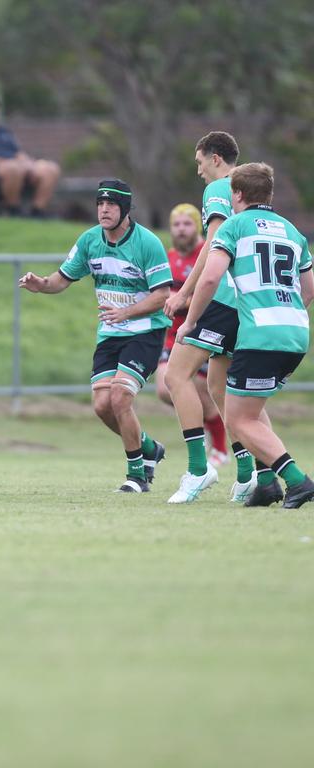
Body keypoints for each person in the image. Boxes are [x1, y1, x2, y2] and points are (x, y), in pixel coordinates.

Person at [19, 180, 171, 493]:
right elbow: (61, 279)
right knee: (102, 405)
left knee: (120, 397)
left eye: (111, 204)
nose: (104, 209)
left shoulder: (148, 243)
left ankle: (137, 476)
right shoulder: (90, 240)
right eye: (100, 204)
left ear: (125, 209)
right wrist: (41, 284)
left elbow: (162, 296)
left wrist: (126, 313)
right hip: (110, 334)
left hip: (145, 332)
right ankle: (149, 448)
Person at [178, 162, 314, 508]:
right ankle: (266, 483)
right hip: (295, 333)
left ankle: (298, 481)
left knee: (239, 419)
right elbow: (309, 286)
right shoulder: (291, 230)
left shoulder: (235, 226)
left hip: (261, 336)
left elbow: (210, 279)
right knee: (245, 408)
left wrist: (190, 321)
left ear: (236, 194)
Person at [162, 132, 260, 504]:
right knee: (220, 387)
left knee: (175, 375)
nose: (198, 169)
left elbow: (214, 242)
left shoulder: (219, 188)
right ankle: (249, 474)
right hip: (245, 300)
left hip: (221, 299)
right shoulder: (248, 191)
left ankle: (199, 469)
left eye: (200, 160)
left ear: (216, 158)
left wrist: (186, 293)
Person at [153, 203, 228, 465]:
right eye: (176, 224)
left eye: (187, 224)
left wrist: (179, 300)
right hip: (174, 335)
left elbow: (212, 290)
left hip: (203, 331)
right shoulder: (169, 256)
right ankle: (206, 429)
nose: (181, 229)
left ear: (198, 226)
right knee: (165, 388)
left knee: (206, 391)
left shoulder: (208, 253)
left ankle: (220, 450)